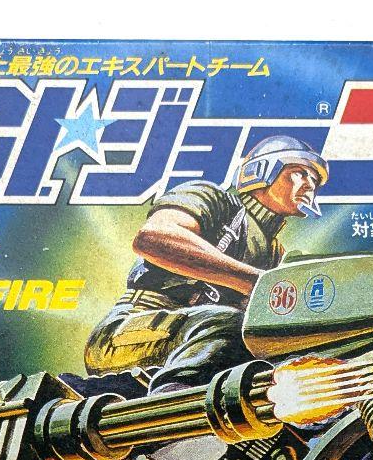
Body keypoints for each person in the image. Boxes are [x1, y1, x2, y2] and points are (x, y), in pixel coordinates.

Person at [84, 135, 329, 392]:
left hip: (204, 338)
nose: (310, 185)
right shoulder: (212, 198)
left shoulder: (275, 253)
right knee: (229, 324)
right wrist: (255, 282)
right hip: (127, 330)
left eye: (315, 180)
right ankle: (175, 400)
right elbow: (153, 238)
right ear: (262, 170)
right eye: (300, 173)